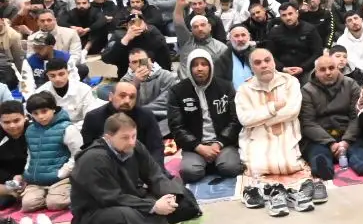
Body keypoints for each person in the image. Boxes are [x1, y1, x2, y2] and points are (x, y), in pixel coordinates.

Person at [70, 111, 200, 224]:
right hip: (98, 210)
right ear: (108, 138)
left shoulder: (134, 146)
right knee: (125, 217)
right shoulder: (93, 159)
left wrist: (169, 195)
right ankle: (160, 217)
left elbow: (154, 174)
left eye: (133, 135)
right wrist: (153, 206)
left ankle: (157, 218)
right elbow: (111, 197)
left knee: (182, 196)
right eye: (125, 138)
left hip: (132, 198)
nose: (131, 142)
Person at [168, 48, 244, 183]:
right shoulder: (178, 91)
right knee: (190, 173)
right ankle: (209, 163)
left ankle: (215, 162)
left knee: (231, 168)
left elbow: (235, 119)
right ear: (189, 68)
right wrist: (198, 147)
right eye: (195, 65)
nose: (199, 68)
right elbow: (176, 126)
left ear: (210, 66)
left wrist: (219, 143)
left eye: (204, 64)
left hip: (222, 144)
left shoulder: (225, 86)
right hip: (195, 146)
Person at [234, 48, 311, 179]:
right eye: (257, 63)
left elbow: (292, 111)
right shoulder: (244, 89)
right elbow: (245, 120)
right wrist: (272, 108)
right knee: (259, 168)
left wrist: (263, 119)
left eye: (267, 60)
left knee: (288, 165)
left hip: (286, 132)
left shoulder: (290, 81)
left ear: (274, 63)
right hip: (257, 135)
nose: (264, 65)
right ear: (251, 67)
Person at [299, 53, 361, 179]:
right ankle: (323, 170)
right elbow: (308, 123)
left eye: (331, 68)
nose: (328, 72)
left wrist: (346, 141)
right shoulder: (306, 90)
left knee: (360, 152)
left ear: (338, 68)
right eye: (322, 70)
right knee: (318, 155)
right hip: (320, 136)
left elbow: (357, 117)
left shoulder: (351, 84)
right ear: (315, 72)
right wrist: (331, 143)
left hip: (347, 133)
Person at [20, 90, 82, 213]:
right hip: (35, 179)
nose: (40, 116)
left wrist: (62, 173)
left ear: (53, 109)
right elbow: (30, 153)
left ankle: (69, 194)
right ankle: (48, 196)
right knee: (27, 205)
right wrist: (28, 170)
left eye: (44, 111)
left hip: (60, 178)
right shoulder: (30, 130)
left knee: (54, 204)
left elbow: (78, 154)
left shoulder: (67, 128)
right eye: (35, 113)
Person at [82, 79, 166, 164]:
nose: (127, 101)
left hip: (141, 165)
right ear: (111, 96)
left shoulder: (146, 115)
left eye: (132, 97)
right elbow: (89, 151)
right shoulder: (93, 117)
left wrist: (154, 172)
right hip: (106, 167)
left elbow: (156, 148)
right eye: (122, 96)